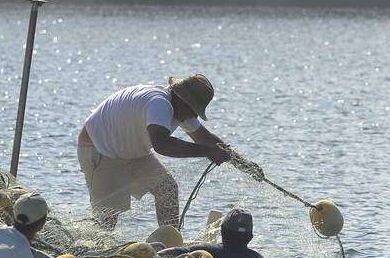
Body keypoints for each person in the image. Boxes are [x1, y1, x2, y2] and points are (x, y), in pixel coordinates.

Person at [77, 74, 261, 238]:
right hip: (101, 148)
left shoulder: (180, 109)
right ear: (182, 99)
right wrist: (207, 152)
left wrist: (245, 164)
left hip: (132, 152)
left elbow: (208, 140)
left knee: (167, 189)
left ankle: (171, 247)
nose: (193, 116)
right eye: (193, 110)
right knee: (107, 218)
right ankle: (87, 249)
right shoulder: (159, 104)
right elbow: (162, 145)